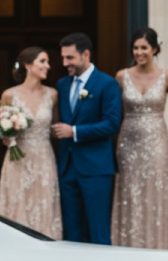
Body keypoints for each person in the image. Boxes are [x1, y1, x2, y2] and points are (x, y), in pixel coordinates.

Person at [111, 28, 168, 249]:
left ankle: (157, 244)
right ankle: (129, 244)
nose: (139, 52)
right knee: (130, 189)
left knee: (155, 188)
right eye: (136, 48)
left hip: (156, 141)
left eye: (144, 47)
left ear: (154, 49)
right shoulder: (122, 76)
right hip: (128, 140)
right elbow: (114, 110)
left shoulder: (167, 76)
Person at [52, 33, 121, 244]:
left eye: (70, 58)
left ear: (86, 54)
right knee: (71, 232)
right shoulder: (62, 85)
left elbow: (111, 123)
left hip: (96, 168)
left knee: (98, 229)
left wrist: (74, 131)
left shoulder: (107, 84)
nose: (65, 63)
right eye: (63, 58)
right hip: (67, 168)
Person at [0, 47, 62, 239]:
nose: (47, 66)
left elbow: (55, 129)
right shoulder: (9, 95)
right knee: (17, 206)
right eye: (42, 61)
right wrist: (6, 134)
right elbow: (2, 132)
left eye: (47, 62)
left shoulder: (52, 94)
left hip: (43, 158)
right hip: (18, 159)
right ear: (28, 65)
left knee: (43, 206)